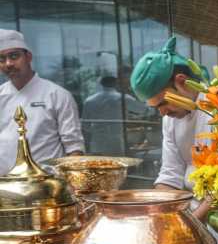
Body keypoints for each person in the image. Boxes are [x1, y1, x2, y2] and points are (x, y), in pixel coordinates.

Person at [130, 36, 218, 244]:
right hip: (192, 225)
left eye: (163, 103)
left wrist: (187, 227)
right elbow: (170, 175)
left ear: (181, 82)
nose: (162, 112)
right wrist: (156, 219)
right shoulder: (170, 119)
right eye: (155, 107)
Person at [0, 29, 84, 174]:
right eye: (1, 59)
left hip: (47, 186)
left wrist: (74, 185)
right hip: (5, 185)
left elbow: (74, 148)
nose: (8, 64)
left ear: (28, 57)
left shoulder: (57, 95)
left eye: (14, 56)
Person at [82, 71, 147, 155]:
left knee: (98, 166)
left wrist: (97, 131)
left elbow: (85, 125)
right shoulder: (122, 98)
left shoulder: (89, 101)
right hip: (116, 143)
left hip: (97, 143)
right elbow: (144, 110)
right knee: (117, 165)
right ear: (116, 83)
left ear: (101, 83)